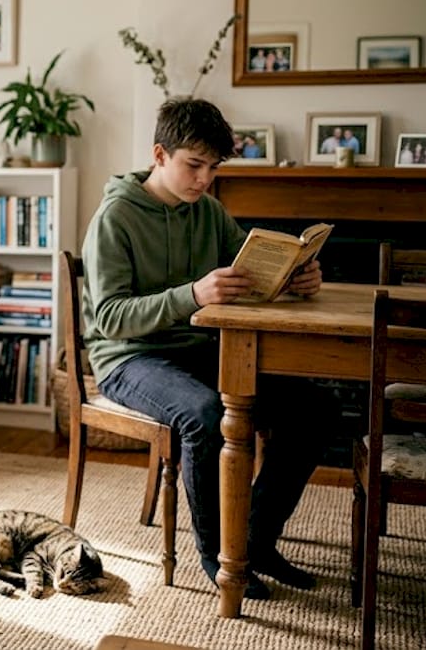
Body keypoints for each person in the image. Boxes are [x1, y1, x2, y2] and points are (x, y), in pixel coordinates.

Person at [81, 98, 340, 600]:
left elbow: (249, 274)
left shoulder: (210, 213)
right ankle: (220, 557)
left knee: (315, 409)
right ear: (160, 154)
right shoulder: (115, 217)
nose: (203, 179)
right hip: (128, 358)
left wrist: (294, 278)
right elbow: (110, 318)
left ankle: (255, 542)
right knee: (203, 413)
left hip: (197, 352)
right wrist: (193, 294)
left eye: (213, 168)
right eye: (193, 165)